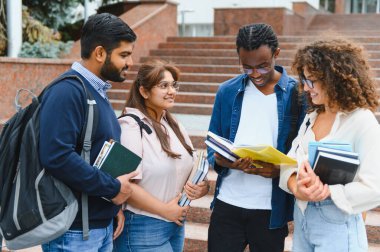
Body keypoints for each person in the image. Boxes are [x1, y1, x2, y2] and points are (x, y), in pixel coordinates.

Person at [39, 13, 138, 251]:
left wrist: (112, 209)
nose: (130, 62)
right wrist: (113, 189)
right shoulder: (68, 92)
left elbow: (94, 152)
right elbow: (57, 156)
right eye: (124, 55)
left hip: (97, 226)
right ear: (100, 53)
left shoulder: (95, 91)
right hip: (73, 233)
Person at [206, 23, 306, 252]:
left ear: (276, 54)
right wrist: (222, 160)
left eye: (262, 66)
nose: (255, 74)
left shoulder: (297, 94)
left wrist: (279, 171)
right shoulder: (227, 91)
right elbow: (213, 145)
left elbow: (304, 152)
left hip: (270, 211)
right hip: (227, 206)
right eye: (247, 67)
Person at [279, 39, 380, 252]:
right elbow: (288, 163)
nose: (306, 87)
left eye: (312, 80)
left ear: (334, 80)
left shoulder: (362, 121)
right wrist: (296, 185)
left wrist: (327, 192)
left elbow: (375, 188)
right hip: (304, 219)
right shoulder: (312, 117)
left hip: (338, 226)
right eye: (304, 79)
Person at [113, 59, 209, 252]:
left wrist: (202, 188)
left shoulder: (174, 126)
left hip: (175, 224)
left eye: (174, 85)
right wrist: (166, 210)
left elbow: (193, 169)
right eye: (164, 86)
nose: (172, 91)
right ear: (144, 91)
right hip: (142, 226)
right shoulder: (129, 126)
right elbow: (123, 184)